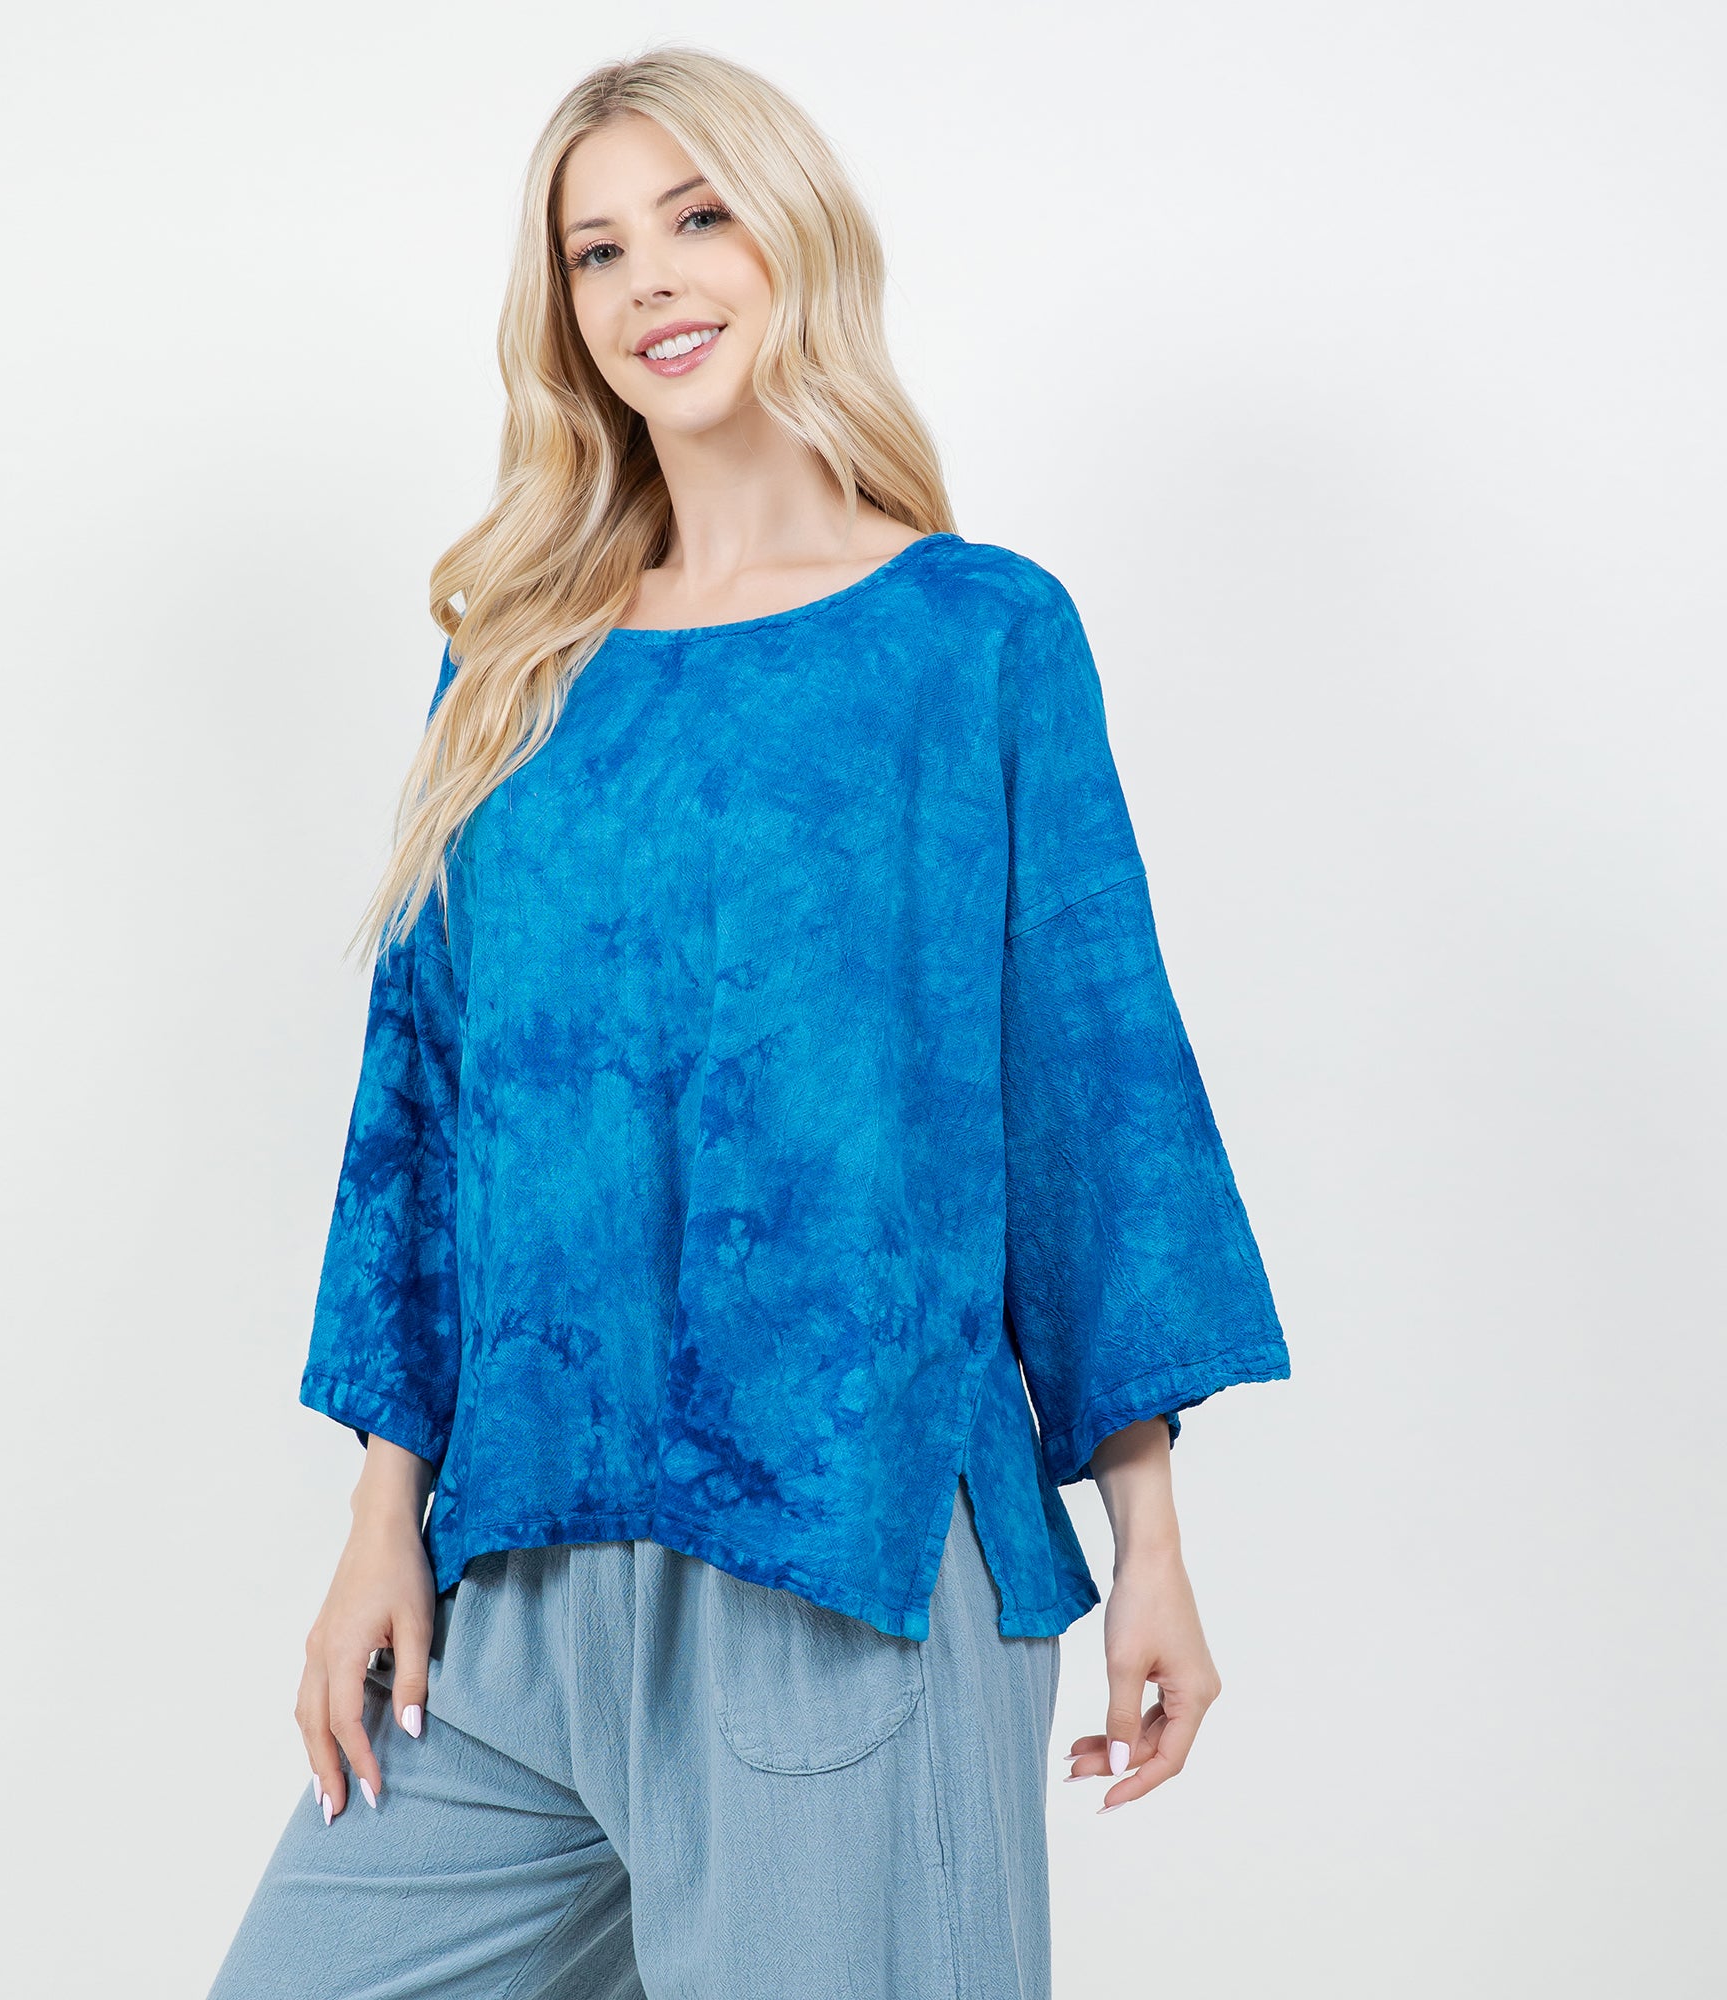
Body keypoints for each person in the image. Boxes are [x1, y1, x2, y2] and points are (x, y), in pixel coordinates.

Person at [207, 44, 1291, 2000]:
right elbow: (421, 1111)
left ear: (792, 236)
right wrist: (381, 1518)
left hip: (844, 1553)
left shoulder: (973, 636)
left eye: (695, 217)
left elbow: (1090, 1086)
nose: (651, 280)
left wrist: (1149, 1536)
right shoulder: (510, 664)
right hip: (520, 1575)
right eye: (596, 249)